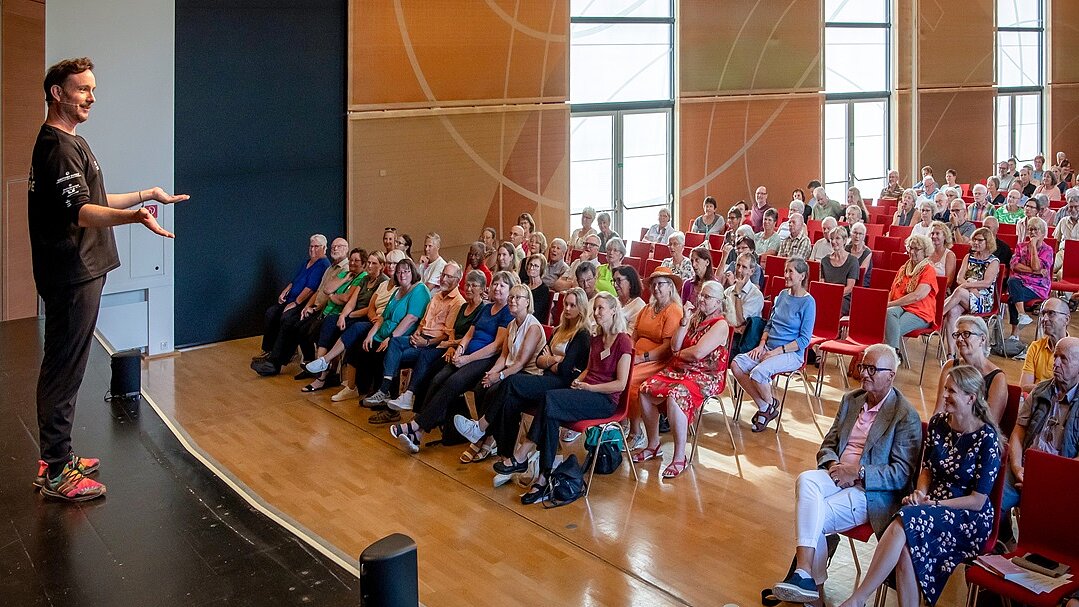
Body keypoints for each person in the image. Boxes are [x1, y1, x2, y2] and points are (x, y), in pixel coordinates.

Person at [28, 57, 187, 501]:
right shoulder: (58, 148)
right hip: (72, 274)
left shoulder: (70, 142)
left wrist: (145, 195)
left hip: (80, 271)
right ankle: (56, 470)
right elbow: (82, 212)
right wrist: (134, 218)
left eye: (93, 90)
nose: (91, 98)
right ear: (57, 93)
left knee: (67, 366)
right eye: (83, 89)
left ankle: (58, 456)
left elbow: (91, 198)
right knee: (64, 369)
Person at [770, 344, 921, 604]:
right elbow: (828, 444)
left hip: (870, 492)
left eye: (873, 369)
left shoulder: (904, 415)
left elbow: (901, 474)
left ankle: (811, 591)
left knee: (814, 516)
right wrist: (833, 466)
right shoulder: (852, 400)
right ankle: (804, 574)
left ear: (891, 375)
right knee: (806, 480)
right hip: (837, 475)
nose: (864, 374)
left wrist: (859, 472)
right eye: (863, 366)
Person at [839, 365, 1001, 607]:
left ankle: (858, 598)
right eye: (945, 389)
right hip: (931, 505)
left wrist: (933, 503)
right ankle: (860, 600)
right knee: (906, 547)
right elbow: (927, 468)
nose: (944, 395)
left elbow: (978, 501)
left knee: (905, 520)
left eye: (952, 391)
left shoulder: (987, 438)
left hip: (968, 517)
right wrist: (920, 492)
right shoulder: (939, 423)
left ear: (971, 398)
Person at [451, 287, 593, 476]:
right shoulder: (559, 330)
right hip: (547, 377)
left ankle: (481, 427)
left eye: (572, 305)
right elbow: (540, 360)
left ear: (581, 308)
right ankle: (508, 456)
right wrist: (555, 360)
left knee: (511, 382)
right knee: (510, 400)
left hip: (563, 385)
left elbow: (566, 370)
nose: (567, 308)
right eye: (566, 304)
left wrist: (550, 360)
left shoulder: (581, 334)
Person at [391, 276, 531, 454]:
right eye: (495, 284)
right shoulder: (486, 308)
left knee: (453, 382)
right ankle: (418, 433)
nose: (497, 288)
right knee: (437, 379)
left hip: (483, 359)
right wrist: (460, 349)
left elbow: (496, 346)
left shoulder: (507, 313)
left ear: (510, 290)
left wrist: (468, 358)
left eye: (502, 285)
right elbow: (469, 334)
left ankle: (416, 426)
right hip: (466, 354)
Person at [634, 280, 731, 479]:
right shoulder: (694, 318)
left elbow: (697, 353)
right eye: (701, 295)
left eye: (707, 297)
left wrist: (678, 355)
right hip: (680, 370)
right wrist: (685, 320)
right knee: (645, 389)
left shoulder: (721, 325)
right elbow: (675, 346)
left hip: (705, 375)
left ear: (718, 302)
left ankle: (680, 457)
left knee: (676, 395)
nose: (701, 299)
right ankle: (653, 444)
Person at [306, 259, 431, 411]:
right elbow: (383, 317)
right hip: (382, 332)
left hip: (400, 337)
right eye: (399, 272)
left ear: (413, 272)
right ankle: (359, 386)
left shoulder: (419, 290)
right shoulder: (398, 291)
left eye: (406, 271)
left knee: (380, 349)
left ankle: (384, 394)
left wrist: (391, 338)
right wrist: (370, 334)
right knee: (360, 343)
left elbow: (411, 319)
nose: (402, 275)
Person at [447, 283, 545, 463]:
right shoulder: (511, 324)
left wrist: (499, 376)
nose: (512, 300)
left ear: (527, 302)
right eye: (511, 297)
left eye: (518, 298)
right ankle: (484, 437)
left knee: (496, 391)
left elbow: (521, 363)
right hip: (512, 371)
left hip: (528, 374)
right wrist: (491, 373)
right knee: (481, 387)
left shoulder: (533, 327)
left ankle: (482, 435)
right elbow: (504, 356)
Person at [359, 262, 464, 406]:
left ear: (457, 280)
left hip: (434, 344)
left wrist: (426, 342)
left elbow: (447, 334)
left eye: (449, 276)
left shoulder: (458, 302)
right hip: (421, 337)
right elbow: (422, 322)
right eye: (443, 275)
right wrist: (416, 334)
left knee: (394, 354)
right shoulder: (436, 296)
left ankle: (393, 394)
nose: (444, 279)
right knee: (394, 342)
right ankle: (385, 392)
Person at [382, 270, 488, 411]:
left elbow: (470, 336)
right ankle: (388, 395)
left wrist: (450, 346)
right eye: (467, 285)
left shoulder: (479, 308)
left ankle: (415, 407)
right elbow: (452, 330)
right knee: (394, 347)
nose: (469, 288)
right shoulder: (463, 306)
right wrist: (419, 333)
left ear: (482, 289)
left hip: (457, 350)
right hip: (446, 345)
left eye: (474, 286)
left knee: (429, 366)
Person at [731, 257, 815, 432]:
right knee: (737, 364)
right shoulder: (782, 295)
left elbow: (804, 340)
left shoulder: (808, 302)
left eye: (791, 271)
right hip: (768, 347)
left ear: (802, 276)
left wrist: (776, 351)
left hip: (790, 353)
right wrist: (761, 344)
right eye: (785, 271)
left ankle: (767, 407)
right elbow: (769, 324)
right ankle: (766, 406)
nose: (786, 275)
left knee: (758, 373)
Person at [1002, 337, 1079, 517]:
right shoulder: (1039, 391)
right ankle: (1003, 533)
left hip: (1059, 477)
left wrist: (1044, 480)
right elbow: (1018, 432)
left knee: (1046, 519)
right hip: (1024, 468)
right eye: (1055, 356)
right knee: (992, 507)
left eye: (1064, 359)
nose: (1056, 363)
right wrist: (1017, 468)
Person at [252, 237, 349, 376]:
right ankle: (284, 359)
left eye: (339, 246)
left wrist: (305, 306)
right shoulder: (330, 268)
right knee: (281, 317)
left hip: (326, 311)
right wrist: (307, 306)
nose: (335, 249)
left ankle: (275, 363)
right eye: (334, 246)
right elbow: (318, 291)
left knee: (291, 322)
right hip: (312, 306)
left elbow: (325, 293)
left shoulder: (343, 269)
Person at [309, 252, 389, 396]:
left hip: (364, 317)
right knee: (330, 321)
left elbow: (370, 308)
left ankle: (325, 362)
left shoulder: (382, 281)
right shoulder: (365, 279)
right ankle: (321, 373)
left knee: (353, 329)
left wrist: (349, 315)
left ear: (382, 266)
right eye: (369, 262)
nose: (370, 266)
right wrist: (343, 316)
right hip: (353, 314)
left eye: (374, 263)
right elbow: (352, 301)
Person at [624, 267, 685, 447]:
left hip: (659, 361)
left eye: (661, 284)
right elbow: (634, 335)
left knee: (630, 380)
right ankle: (621, 423)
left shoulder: (673, 310)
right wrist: (629, 354)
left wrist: (641, 358)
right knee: (617, 372)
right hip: (637, 356)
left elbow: (667, 348)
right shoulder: (647, 308)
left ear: (670, 286)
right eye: (653, 284)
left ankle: (636, 431)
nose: (656, 288)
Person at [257, 235, 331, 362]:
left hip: (303, 302)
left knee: (286, 317)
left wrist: (296, 303)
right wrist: (285, 291)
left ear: (324, 248)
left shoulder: (323, 264)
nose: (312, 249)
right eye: (311, 246)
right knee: (271, 313)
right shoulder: (306, 262)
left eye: (316, 246)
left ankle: (284, 354)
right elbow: (295, 280)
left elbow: (310, 289)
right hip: (291, 299)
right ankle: (268, 349)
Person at [934, 316, 1008, 424]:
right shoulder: (949, 366)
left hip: (978, 432)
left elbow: (991, 423)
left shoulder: (997, 378)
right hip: (948, 428)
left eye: (966, 334)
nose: (959, 339)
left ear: (982, 339)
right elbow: (939, 410)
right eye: (957, 335)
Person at [941, 228, 999, 356]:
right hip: (966, 295)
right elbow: (959, 278)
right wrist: (970, 287)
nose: (976, 243)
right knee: (952, 312)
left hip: (983, 299)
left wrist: (967, 285)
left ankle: (938, 314)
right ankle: (951, 354)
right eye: (974, 240)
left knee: (959, 291)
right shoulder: (968, 257)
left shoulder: (993, 261)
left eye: (980, 240)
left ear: (988, 242)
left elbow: (986, 283)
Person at [885, 235, 938, 355]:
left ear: (925, 251)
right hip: (900, 307)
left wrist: (890, 304)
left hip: (920, 312)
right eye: (910, 248)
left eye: (916, 249)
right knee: (888, 314)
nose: (912, 252)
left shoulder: (928, 270)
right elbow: (893, 290)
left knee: (892, 328)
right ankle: (894, 354)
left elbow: (917, 296)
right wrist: (886, 305)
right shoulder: (904, 268)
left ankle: (890, 355)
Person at [1007, 216, 1053, 340]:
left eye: (1035, 229)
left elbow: (1036, 266)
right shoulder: (1020, 246)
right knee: (1012, 281)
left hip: (1038, 287)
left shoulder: (1047, 250)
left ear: (1043, 233)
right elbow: (1014, 265)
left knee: (1012, 298)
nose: (1032, 232)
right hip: (1020, 282)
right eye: (1030, 229)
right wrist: (1035, 271)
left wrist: (1032, 247)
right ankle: (1022, 315)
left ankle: (1015, 334)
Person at [1019, 297, 1071, 393]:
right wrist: (1055, 388)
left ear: (1066, 320)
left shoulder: (1075, 351)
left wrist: (1039, 388)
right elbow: (1024, 387)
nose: (1044, 319)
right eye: (1043, 314)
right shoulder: (1035, 347)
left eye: (1051, 313)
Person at [724, 252, 765, 356]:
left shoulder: (756, 295)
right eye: (738, 265)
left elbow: (741, 321)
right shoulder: (728, 291)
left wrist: (738, 293)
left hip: (742, 340)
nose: (739, 270)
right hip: (725, 332)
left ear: (752, 271)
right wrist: (732, 327)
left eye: (744, 267)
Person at [820, 226, 859, 315]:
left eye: (837, 238)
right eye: (831, 239)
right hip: (827, 296)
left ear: (844, 240)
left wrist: (834, 295)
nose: (833, 241)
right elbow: (822, 284)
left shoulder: (852, 261)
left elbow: (850, 288)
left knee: (832, 308)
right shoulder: (825, 260)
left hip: (843, 298)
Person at [613, 265, 647, 333]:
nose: (615, 285)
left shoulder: (638, 306)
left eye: (619, 280)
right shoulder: (613, 301)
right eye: (614, 281)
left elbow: (631, 335)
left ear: (631, 282)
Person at [523, 254, 550, 324]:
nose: (532, 268)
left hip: (533, 322)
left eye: (536, 266)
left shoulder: (543, 290)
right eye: (530, 264)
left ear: (541, 269)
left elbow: (536, 312)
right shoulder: (524, 285)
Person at [927, 220, 956, 285]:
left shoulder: (949, 255)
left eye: (937, 233)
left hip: (941, 287)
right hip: (925, 286)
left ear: (945, 236)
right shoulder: (926, 252)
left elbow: (949, 281)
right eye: (932, 233)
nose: (934, 236)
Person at [847, 222, 873, 287]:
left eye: (860, 234)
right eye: (855, 233)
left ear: (864, 236)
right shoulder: (846, 248)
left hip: (860, 284)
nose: (857, 236)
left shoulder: (867, 252)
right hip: (845, 281)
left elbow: (860, 273)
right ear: (851, 234)